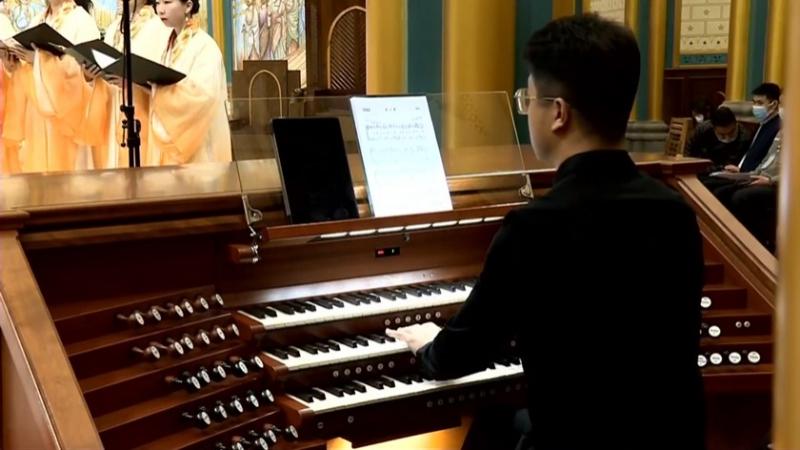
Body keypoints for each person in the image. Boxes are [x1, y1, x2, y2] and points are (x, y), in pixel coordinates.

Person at [387, 14, 706, 450]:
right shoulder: (675, 213)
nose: (527, 112)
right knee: (496, 423)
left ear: (558, 113)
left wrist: (428, 345)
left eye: (528, 100)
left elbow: (462, 354)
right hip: (670, 438)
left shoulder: (535, 227)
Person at [2, 0, 101, 173]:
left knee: (68, 180)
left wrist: (40, 61)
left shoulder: (82, 21)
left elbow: (82, 71)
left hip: (67, 120)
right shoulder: (37, 21)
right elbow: (27, 72)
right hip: (36, 119)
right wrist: (14, 66)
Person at [82, 0, 169, 169]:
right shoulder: (114, 27)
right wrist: (91, 76)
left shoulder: (158, 27)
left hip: (140, 112)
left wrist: (133, 82)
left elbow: (160, 79)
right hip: (113, 110)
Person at [149, 0, 231, 165]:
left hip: (199, 143)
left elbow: (203, 96)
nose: (160, 10)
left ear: (188, 6)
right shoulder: (169, 45)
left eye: (167, 2)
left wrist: (158, 92)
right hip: (173, 138)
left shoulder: (205, 47)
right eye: (157, 3)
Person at [686, 106, 751, 172]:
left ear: (736, 123)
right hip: (703, 170)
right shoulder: (702, 130)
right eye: (722, 135)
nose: (727, 137)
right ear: (713, 128)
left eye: (731, 133)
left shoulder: (745, 137)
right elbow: (689, 155)